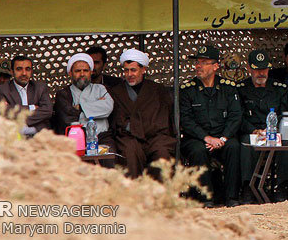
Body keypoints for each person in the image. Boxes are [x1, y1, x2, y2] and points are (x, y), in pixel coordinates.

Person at [179, 44, 243, 207]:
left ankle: (232, 197)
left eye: (204, 62)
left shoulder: (228, 88)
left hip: (222, 136)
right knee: (198, 150)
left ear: (215, 66)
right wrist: (207, 138)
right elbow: (186, 120)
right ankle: (206, 198)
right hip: (196, 138)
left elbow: (235, 116)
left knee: (233, 147)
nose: (198, 66)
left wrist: (222, 138)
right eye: (197, 62)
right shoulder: (188, 90)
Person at [109, 48, 177, 179]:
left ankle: (160, 196)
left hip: (155, 136)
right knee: (129, 152)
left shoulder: (157, 90)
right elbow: (118, 121)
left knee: (162, 153)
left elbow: (161, 120)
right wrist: (134, 129)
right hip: (128, 137)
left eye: (133, 70)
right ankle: (135, 197)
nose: (129, 74)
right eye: (126, 70)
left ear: (143, 69)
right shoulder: (116, 92)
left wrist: (139, 127)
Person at [238, 48, 288, 203]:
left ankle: (281, 187)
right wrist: (253, 130)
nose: (261, 73)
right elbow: (238, 116)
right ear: (249, 68)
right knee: (245, 143)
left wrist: (271, 130)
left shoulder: (279, 88)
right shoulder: (241, 89)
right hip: (251, 130)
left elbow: (284, 113)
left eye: (264, 69)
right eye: (257, 70)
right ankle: (248, 188)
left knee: (287, 144)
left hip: (274, 132)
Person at [52, 53, 115, 149]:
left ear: (91, 72)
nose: (82, 74)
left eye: (85, 70)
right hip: (75, 139)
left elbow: (108, 107)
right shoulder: (63, 94)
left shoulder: (100, 88)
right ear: (70, 73)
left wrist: (80, 107)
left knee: (109, 159)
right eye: (78, 71)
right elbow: (69, 118)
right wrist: (97, 108)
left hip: (102, 137)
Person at [0, 55, 53, 135]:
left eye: (27, 69)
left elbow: (47, 111)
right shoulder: (2, 89)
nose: (24, 73)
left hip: (38, 136)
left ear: (31, 71)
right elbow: (5, 112)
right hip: (13, 138)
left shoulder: (40, 88)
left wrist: (17, 116)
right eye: (19, 69)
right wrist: (31, 107)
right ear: (12, 71)